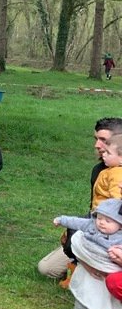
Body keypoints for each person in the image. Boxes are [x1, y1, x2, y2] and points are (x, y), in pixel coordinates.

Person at [38, 118, 122, 280]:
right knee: (47, 268)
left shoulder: (117, 174)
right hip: (97, 228)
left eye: (104, 140)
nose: (97, 145)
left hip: (114, 240)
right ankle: (81, 265)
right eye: (96, 139)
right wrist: (73, 228)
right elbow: (96, 210)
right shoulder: (101, 170)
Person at [53, 199, 122, 269]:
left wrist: (116, 253)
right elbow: (76, 222)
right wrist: (61, 220)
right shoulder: (92, 224)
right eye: (99, 218)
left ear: (120, 225)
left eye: (108, 221)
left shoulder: (119, 238)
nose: (102, 222)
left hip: (104, 264)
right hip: (84, 256)